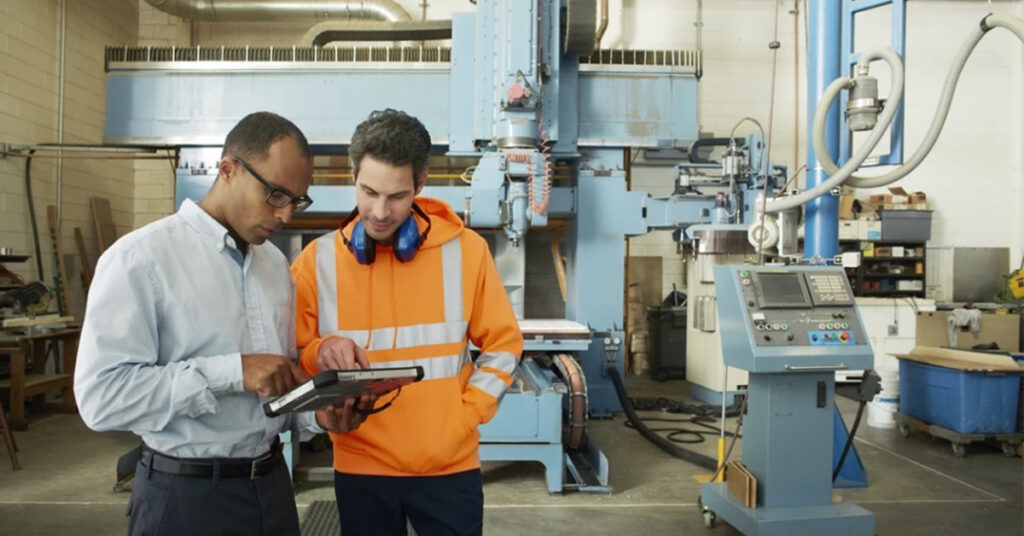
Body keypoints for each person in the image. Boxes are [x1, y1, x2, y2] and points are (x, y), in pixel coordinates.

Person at [74, 111, 369, 536]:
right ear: (228, 169)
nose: (286, 215)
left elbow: (274, 386)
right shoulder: (140, 260)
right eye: (275, 195)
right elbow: (101, 399)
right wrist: (232, 371)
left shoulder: (274, 267)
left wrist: (318, 417)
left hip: (270, 488)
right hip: (184, 498)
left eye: (297, 200)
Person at [291, 109, 523, 535]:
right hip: (361, 465)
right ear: (353, 177)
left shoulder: (466, 252)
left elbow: (504, 346)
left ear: (420, 184)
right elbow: (297, 357)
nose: (379, 211)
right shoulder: (316, 263)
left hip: (449, 465)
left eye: (397, 196)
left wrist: (466, 416)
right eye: (368, 191)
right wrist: (320, 350)